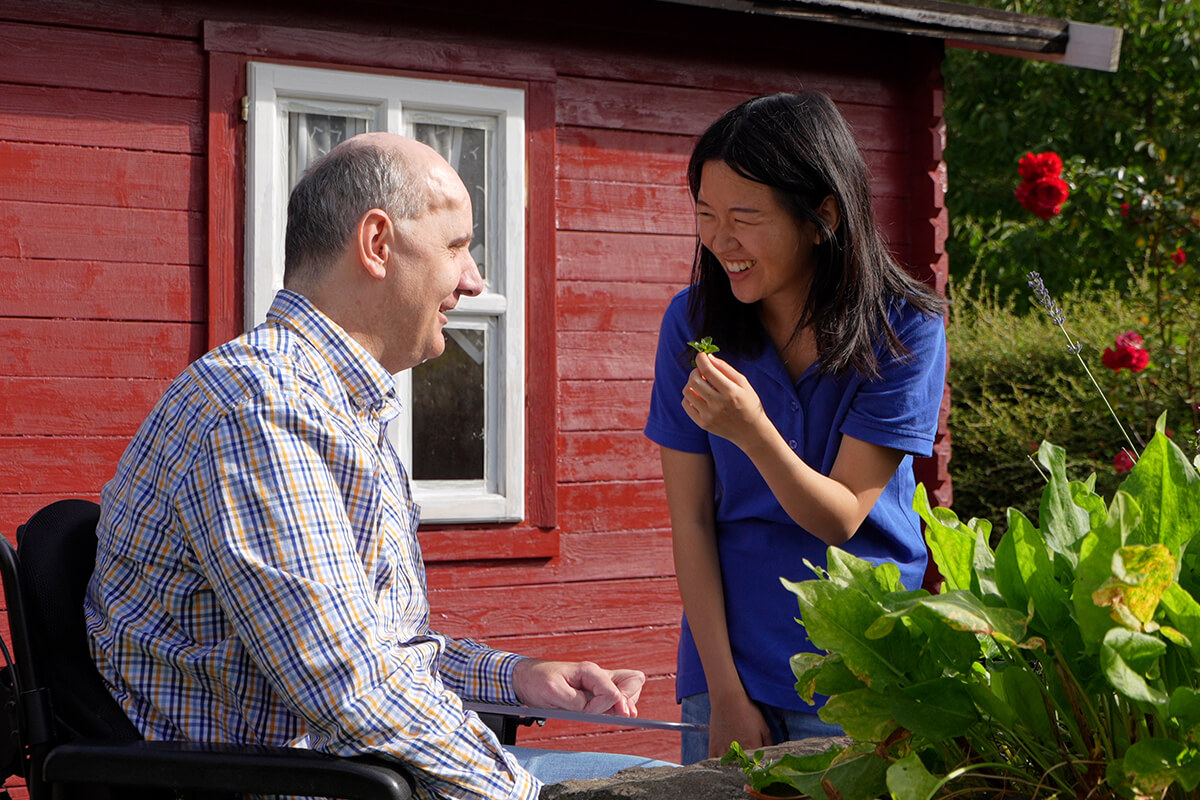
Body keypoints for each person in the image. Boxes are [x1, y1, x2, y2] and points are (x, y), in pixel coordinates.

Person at [85, 132, 669, 800]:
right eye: (456, 247)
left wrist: (514, 678)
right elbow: (345, 686)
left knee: (658, 784)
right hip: (309, 785)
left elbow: (378, 652)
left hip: (357, 772)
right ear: (377, 244)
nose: (473, 281)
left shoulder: (326, 405)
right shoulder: (262, 410)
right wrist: (523, 796)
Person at [644, 91, 947, 763]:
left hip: (859, 670)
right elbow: (690, 520)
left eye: (745, 218)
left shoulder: (906, 331)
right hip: (729, 670)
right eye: (706, 216)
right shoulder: (691, 325)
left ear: (822, 217)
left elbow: (840, 518)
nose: (722, 241)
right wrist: (723, 691)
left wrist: (753, 431)